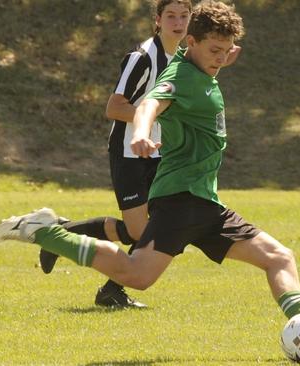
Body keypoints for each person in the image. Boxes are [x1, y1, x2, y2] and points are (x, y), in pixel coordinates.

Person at [0, 0, 300, 361]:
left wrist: (218, 60)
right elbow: (153, 101)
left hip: (204, 202)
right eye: (214, 49)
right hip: (181, 200)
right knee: (136, 277)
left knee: (279, 257)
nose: (220, 57)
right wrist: (140, 129)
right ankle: (45, 231)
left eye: (227, 50)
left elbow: (198, 77)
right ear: (191, 43)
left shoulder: (199, 69)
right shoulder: (180, 75)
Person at [38, 0, 194, 309]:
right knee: (144, 232)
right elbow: (114, 107)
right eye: (171, 16)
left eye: (184, 16)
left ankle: (102, 279)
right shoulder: (142, 58)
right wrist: (151, 117)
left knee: (162, 228)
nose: (178, 22)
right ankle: (65, 237)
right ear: (158, 20)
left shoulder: (183, 57)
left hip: (161, 154)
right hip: (129, 153)